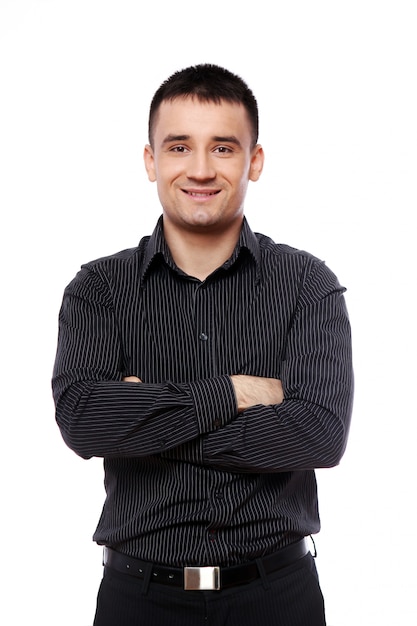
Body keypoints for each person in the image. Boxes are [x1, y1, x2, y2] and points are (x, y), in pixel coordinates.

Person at [52, 63, 354, 626]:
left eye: (222, 148)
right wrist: (232, 393)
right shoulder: (97, 290)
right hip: (137, 600)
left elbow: (320, 434)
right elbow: (83, 420)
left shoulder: (308, 285)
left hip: (276, 596)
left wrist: (147, 421)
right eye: (178, 147)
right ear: (150, 161)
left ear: (253, 162)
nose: (199, 169)